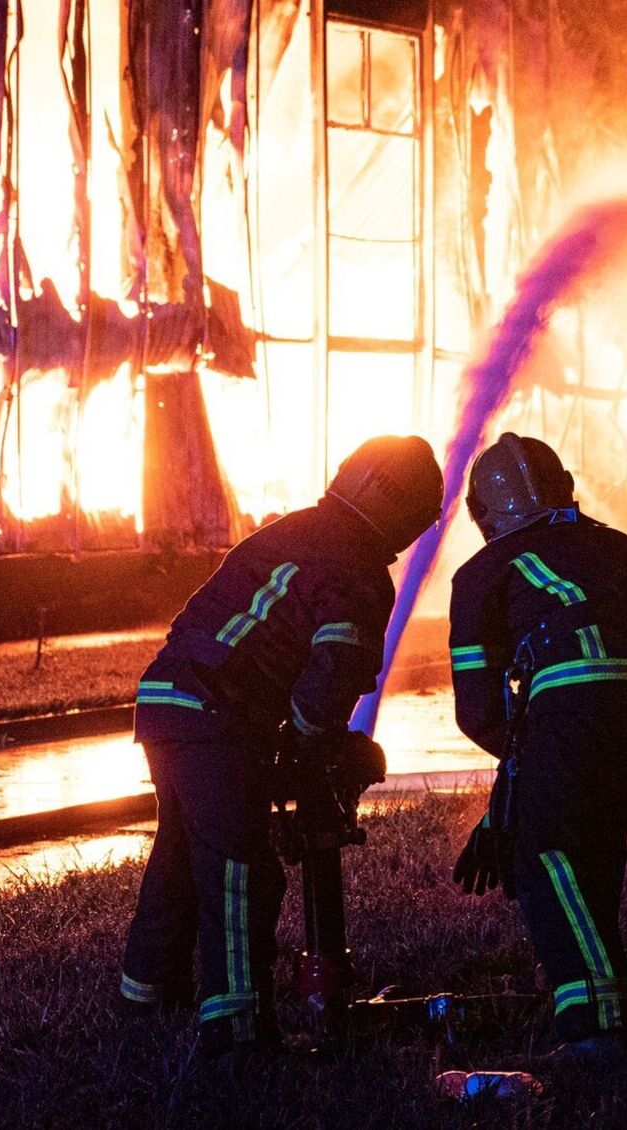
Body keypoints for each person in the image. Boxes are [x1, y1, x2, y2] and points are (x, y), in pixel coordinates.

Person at [120, 434, 442, 1056]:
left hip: (167, 701)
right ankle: (238, 1030)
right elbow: (332, 675)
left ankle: (147, 994)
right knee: (241, 870)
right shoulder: (358, 568)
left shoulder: (291, 531)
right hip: (218, 717)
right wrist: (314, 746)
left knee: (181, 854)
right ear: (400, 510)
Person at [447, 433, 627, 1054]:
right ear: (565, 487)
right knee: (594, 834)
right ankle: (598, 976)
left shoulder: (481, 573)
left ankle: (595, 1021)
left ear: (482, 513)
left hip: (580, 698)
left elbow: (480, 713)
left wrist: (517, 801)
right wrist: (517, 794)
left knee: (546, 850)